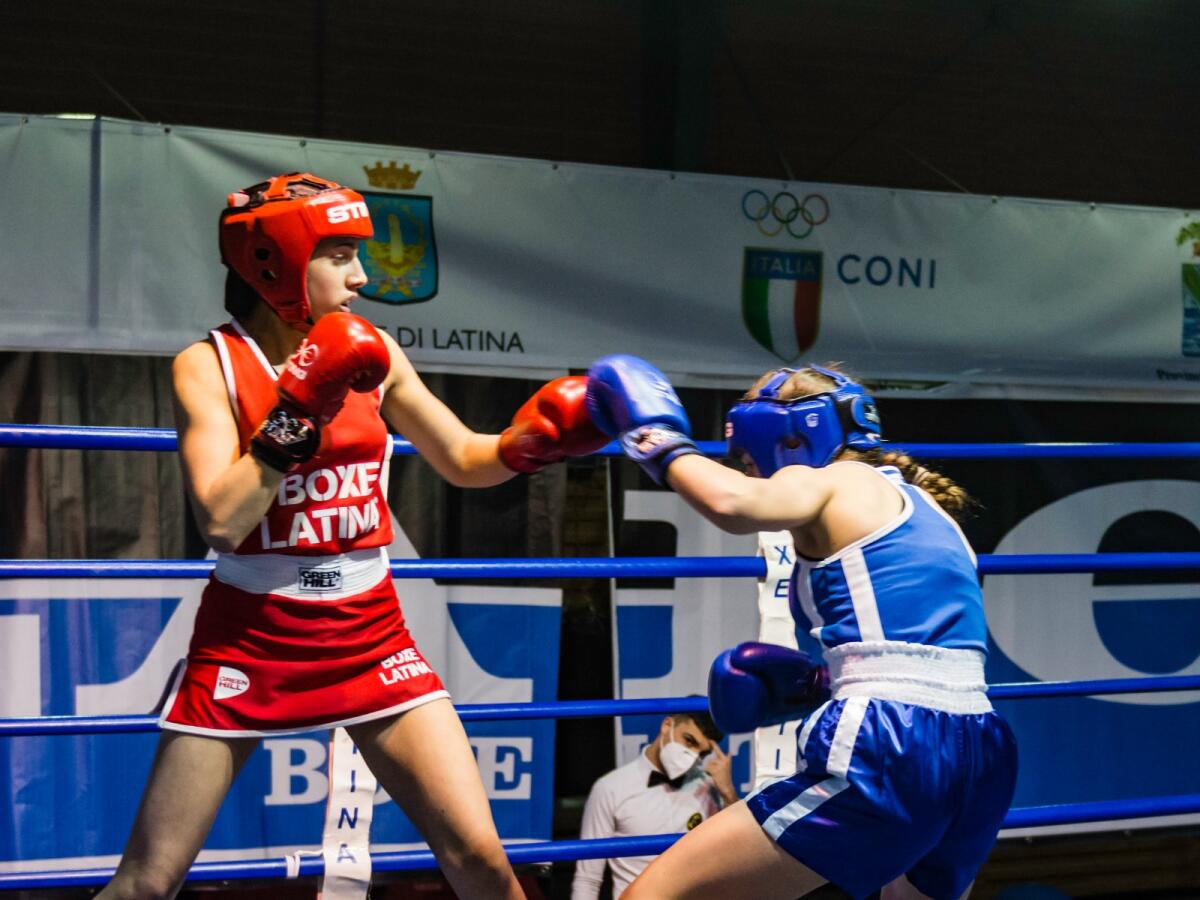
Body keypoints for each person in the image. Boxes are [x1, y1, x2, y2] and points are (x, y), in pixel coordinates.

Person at [98, 172, 608, 900]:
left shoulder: (375, 352)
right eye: (338, 254)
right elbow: (221, 520)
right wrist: (299, 407)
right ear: (273, 259)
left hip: (370, 632)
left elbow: (462, 458)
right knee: (146, 883)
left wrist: (533, 443)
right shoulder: (207, 366)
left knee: (482, 859)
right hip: (252, 636)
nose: (361, 276)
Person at [584, 355, 1018, 900]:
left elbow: (731, 502)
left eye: (748, 448)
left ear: (789, 438)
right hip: (982, 746)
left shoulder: (835, 480)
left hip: (890, 740)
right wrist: (820, 685)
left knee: (652, 895)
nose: (747, 464)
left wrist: (653, 437)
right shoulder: (930, 508)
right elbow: (922, 645)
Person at [571, 710, 736, 900]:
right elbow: (588, 879)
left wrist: (728, 793)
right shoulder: (610, 788)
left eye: (702, 752)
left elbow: (732, 856)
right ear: (667, 725)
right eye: (689, 741)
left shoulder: (707, 787)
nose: (692, 756)